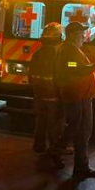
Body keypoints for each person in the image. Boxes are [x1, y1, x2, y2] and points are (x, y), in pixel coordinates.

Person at [52, 21, 95, 180]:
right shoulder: (69, 50)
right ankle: (78, 166)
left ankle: (61, 153)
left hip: (78, 95)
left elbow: (74, 66)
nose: (84, 36)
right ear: (72, 35)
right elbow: (76, 69)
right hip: (77, 96)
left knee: (77, 129)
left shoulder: (71, 49)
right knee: (82, 131)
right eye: (81, 33)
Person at [28, 22, 64, 154]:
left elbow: (30, 76)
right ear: (58, 37)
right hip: (54, 95)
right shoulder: (59, 54)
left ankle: (39, 145)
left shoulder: (37, 54)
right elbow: (63, 73)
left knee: (41, 121)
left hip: (39, 95)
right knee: (56, 123)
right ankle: (55, 148)